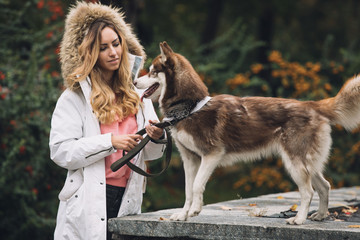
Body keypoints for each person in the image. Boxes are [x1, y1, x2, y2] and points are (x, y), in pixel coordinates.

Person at [49, 2, 165, 239]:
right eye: (103, 48)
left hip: (129, 200)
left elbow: (154, 154)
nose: (113, 52)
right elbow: (61, 152)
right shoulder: (74, 97)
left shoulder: (138, 95)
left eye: (116, 43)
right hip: (87, 202)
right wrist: (111, 141)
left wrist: (158, 136)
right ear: (90, 52)